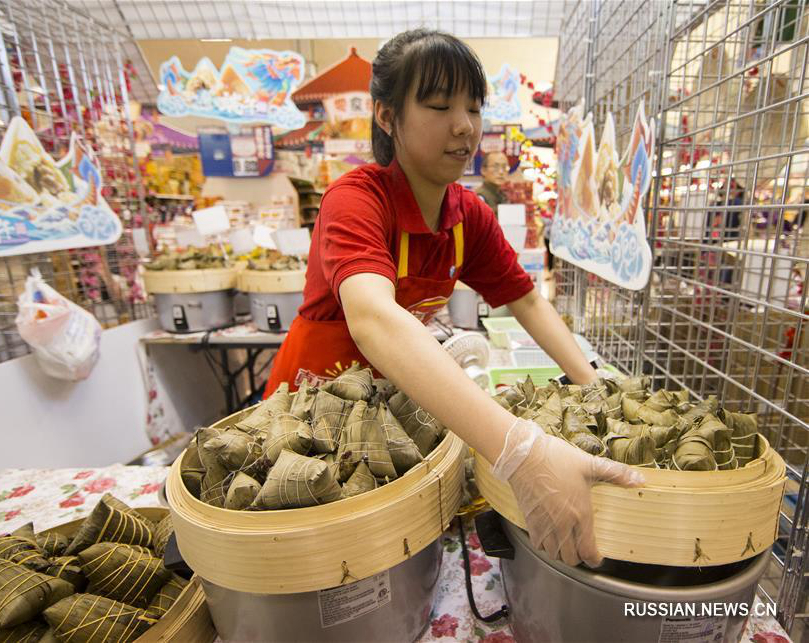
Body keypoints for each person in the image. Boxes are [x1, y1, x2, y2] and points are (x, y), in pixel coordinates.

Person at [265, 29, 643, 568]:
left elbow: (528, 302)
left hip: (389, 406)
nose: (464, 126)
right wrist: (518, 450)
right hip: (311, 406)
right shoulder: (356, 200)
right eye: (440, 105)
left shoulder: (469, 216)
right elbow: (374, 318)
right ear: (387, 116)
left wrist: (593, 384)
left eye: (473, 106)